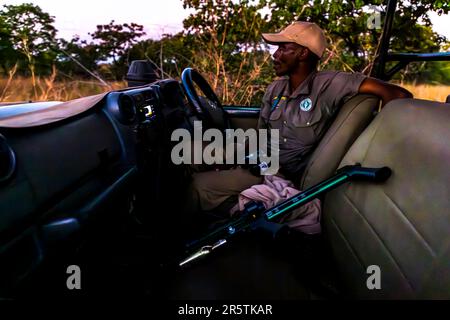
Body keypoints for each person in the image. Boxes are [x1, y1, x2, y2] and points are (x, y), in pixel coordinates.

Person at [185, 21, 412, 215]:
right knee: (188, 156)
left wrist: (382, 147)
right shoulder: (276, 88)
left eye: (284, 48)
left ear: (303, 53)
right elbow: (261, 134)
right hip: (259, 157)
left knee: (195, 185)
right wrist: (234, 155)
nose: (275, 55)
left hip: (276, 173)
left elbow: (398, 94)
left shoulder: (332, 84)